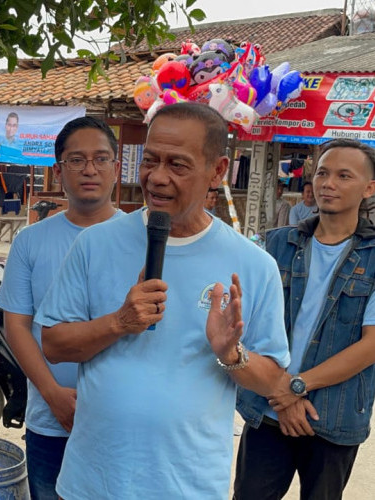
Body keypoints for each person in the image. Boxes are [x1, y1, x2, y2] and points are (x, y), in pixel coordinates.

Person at [36, 102, 289, 499]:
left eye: (178, 165)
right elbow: (53, 345)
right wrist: (118, 322)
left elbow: (273, 380)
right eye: (150, 160)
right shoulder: (95, 243)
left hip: (187, 485)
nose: (156, 177)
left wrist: (230, 353)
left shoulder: (254, 265)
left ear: (218, 171)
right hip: (93, 481)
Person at [234, 138, 375, 499]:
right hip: (268, 409)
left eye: (344, 176)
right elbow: (245, 325)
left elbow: (370, 346)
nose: (328, 184)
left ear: (369, 188)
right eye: (323, 173)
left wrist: (295, 386)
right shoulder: (275, 245)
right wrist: (281, 391)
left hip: (334, 416)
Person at [0, 116, 123, 499]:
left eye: (101, 159)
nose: (89, 169)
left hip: (121, 422)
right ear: (58, 170)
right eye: (76, 160)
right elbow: (16, 326)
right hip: (50, 422)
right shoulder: (31, 241)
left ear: (117, 169)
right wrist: (52, 393)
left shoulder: (140, 239)